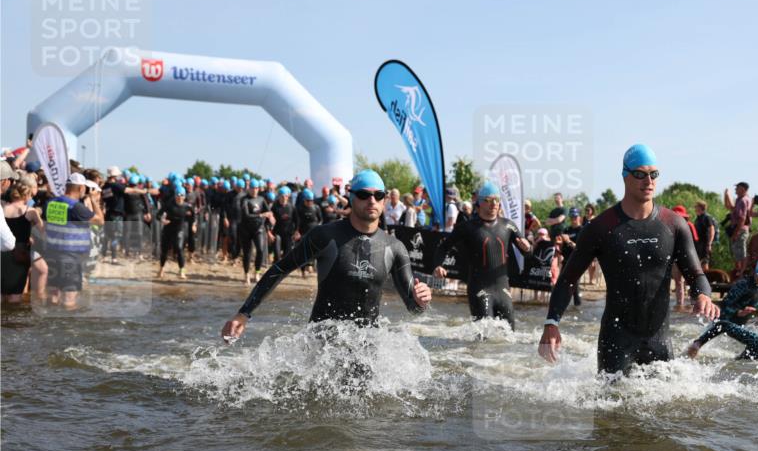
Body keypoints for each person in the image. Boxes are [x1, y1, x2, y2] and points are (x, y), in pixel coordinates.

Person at [537, 144, 719, 374]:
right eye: (640, 174)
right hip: (616, 340)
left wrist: (703, 295)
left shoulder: (674, 224)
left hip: (659, 340)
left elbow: (696, 275)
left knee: (667, 407)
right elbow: (568, 279)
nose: (648, 181)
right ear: (625, 176)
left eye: (654, 174)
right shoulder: (601, 227)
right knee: (608, 407)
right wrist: (551, 323)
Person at [220, 170, 432, 340]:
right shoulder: (325, 236)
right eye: (364, 195)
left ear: (384, 200)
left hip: (367, 347)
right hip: (322, 345)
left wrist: (421, 302)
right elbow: (280, 269)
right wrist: (244, 313)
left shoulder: (394, 247)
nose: (372, 201)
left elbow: (413, 309)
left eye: (378, 196)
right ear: (351, 197)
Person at [431, 181, 532, 329]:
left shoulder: (508, 226)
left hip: (503, 289)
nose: (494, 204)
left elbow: (528, 254)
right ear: (479, 203)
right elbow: (443, 247)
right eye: (489, 200)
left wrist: (528, 248)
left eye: (497, 200)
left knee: (510, 336)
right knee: (483, 336)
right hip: (479, 289)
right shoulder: (467, 227)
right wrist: (438, 265)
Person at [685, 258, 758, 357]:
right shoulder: (743, 285)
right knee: (711, 350)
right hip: (722, 323)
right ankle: (695, 345)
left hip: (739, 326)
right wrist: (738, 312)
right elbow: (725, 305)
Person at [44, 172, 104, 308]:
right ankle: (67, 327)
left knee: (53, 296)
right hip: (70, 257)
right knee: (69, 300)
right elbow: (100, 221)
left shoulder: (51, 203)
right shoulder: (76, 207)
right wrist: (94, 201)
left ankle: (50, 325)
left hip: (52, 254)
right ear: (81, 188)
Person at [1, 179, 44, 303]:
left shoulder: (2, 208)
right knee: (15, 294)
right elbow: (43, 233)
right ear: (26, 195)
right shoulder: (30, 211)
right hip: (19, 254)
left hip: (2, 250)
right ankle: (13, 321)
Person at [238, 181, 273, 285]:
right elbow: (246, 215)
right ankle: (246, 274)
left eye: (257, 188)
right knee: (247, 253)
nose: (255, 190)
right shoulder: (245, 200)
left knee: (261, 250)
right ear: (249, 189)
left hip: (258, 229)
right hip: (246, 229)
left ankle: (257, 272)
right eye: (253, 188)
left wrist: (271, 216)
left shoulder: (261, 199)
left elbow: (269, 211)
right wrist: (261, 215)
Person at [156, 184, 194, 279]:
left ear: (184, 197)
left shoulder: (187, 206)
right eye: (177, 196)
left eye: (181, 196)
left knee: (179, 248)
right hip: (168, 229)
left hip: (179, 229)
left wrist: (194, 225)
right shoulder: (169, 204)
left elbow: (193, 216)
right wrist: (163, 220)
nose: (179, 198)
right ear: (175, 196)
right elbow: (158, 215)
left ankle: (182, 271)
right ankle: (161, 269)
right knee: (164, 250)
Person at [670, 205, 699, 307]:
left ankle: (693, 304)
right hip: (677, 257)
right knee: (679, 282)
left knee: (689, 281)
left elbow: (695, 242)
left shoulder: (689, 226)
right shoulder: (669, 227)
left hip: (688, 257)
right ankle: (680, 304)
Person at [724, 181, 753, 278]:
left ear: (743, 189)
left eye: (738, 187)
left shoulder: (743, 200)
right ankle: (739, 270)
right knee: (737, 251)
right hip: (739, 228)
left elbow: (742, 218)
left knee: (741, 251)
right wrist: (726, 196)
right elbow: (731, 208)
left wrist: (736, 233)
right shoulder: (740, 199)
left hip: (741, 229)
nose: (735, 189)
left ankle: (742, 271)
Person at [270, 186, 297, 262]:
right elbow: (268, 221)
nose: (284, 198)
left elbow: (297, 220)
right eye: (282, 196)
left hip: (288, 233)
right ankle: (276, 265)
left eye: (285, 196)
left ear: (288, 197)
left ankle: (283, 270)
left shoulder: (291, 207)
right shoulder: (275, 207)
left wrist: (296, 231)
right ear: (279, 196)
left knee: (287, 254)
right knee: (277, 253)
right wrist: (269, 233)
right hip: (277, 233)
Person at [692, 201, 717, 268]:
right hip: (700, 244)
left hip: (705, 243)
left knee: (705, 261)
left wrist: (709, 244)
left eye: (696, 206)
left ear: (700, 207)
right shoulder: (699, 218)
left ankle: (706, 277)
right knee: (700, 261)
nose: (695, 208)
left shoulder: (706, 218)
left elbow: (712, 230)